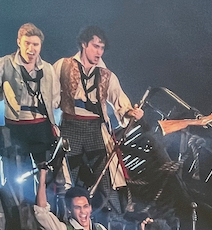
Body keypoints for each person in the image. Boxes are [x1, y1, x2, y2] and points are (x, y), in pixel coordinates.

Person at [54, 25, 144, 198]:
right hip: (70, 126)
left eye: (102, 48)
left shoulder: (106, 75)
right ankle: (68, 215)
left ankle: (109, 216)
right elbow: (47, 91)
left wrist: (131, 112)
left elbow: (120, 100)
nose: (99, 52)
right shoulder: (63, 65)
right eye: (95, 46)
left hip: (95, 128)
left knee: (105, 176)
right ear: (83, 44)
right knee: (68, 176)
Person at [0, 23, 60, 190]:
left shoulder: (47, 68)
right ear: (19, 42)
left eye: (35, 44)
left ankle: (44, 210)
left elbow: (55, 100)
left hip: (41, 126)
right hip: (15, 127)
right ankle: (19, 211)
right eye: (27, 43)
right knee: (16, 175)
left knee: (45, 174)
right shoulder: (4, 63)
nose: (31, 49)